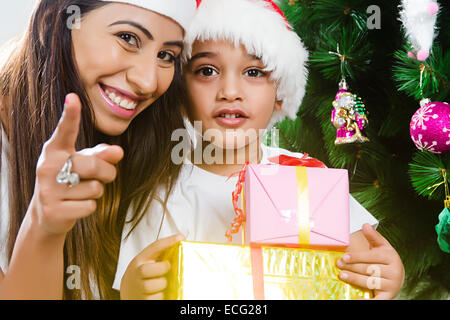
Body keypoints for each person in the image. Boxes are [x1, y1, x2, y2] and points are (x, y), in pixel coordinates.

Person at [115, 0, 405, 300]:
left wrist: (388, 276)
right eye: (207, 70)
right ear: (180, 91)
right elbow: (138, 278)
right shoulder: (158, 191)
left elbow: (362, 265)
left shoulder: (305, 176)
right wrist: (131, 291)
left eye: (253, 72)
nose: (230, 92)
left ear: (280, 92)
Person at [0, 0, 197, 299]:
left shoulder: (150, 147)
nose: (147, 81)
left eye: (166, 55)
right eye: (128, 38)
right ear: (53, 20)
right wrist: (44, 228)